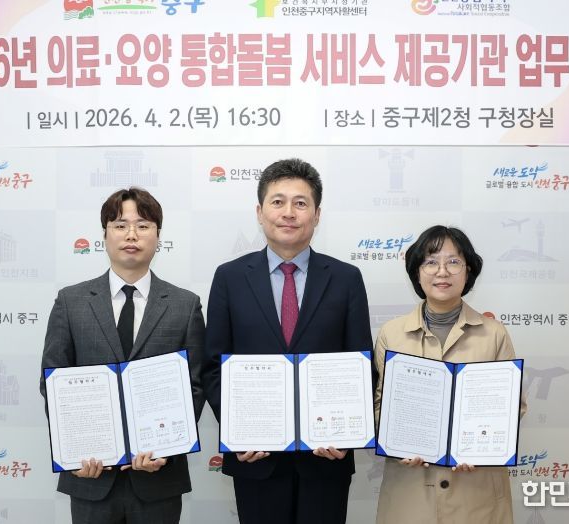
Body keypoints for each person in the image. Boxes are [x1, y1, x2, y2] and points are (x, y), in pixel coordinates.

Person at [202, 158, 373, 524]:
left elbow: (360, 364)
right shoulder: (230, 278)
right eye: (278, 202)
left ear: (317, 214)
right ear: (260, 212)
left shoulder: (346, 279)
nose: (289, 213)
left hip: (326, 457)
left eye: (300, 203)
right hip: (256, 457)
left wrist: (346, 435)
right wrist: (237, 431)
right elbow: (213, 366)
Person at [40, 187, 205, 524]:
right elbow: (52, 382)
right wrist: (75, 450)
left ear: (158, 236)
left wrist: (167, 449)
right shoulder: (71, 302)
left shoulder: (185, 305)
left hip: (159, 478)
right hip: (90, 477)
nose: (132, 234)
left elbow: (195, 386)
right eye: (120, 225)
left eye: (143, 225)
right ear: (105, 234)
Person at [373, 225, 527, 524]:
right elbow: (379, 404)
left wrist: (481, 448)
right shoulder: (392, 333)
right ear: (417, 272)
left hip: (476, 492)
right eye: (431, 262)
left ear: (468, 271)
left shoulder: (494, 333)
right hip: (411, 491)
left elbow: (513, 407)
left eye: (453, 261)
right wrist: (396, 442)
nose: (442, 271)